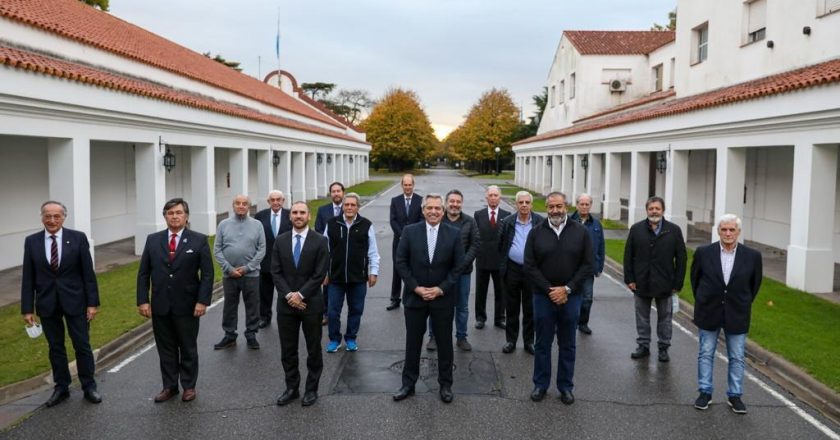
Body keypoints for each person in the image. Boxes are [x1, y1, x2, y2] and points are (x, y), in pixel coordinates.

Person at [21, 201, 101, 407]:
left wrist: (92, 303)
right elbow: (28, 277)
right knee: (55, 347)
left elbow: (88, 274)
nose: (52, 220)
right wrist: (27, 308)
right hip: (47, 303)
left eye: (57, 216)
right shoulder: (32, 242)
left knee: (82, 345)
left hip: (77, 302)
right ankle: (61, 387)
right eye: (48, 216)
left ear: (64, 217)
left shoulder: (78, 238)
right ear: (42, 217)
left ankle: (89, 386)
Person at [137, 198, 214, 403]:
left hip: (187, 305)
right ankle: (169, 386)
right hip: (160, 305)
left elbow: (207, 275)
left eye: (178, 212)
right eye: (170, 213)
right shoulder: (153, 240)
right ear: (165, 217)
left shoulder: (199, 240)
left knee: (187, 346)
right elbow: (143, 273)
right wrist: (143, 300)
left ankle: (188, 386)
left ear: (186, 216)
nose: (174, 216)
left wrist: (202, 301)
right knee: (166, 348)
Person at [393, 194, 464, 404]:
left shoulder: (454, 234)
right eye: (429, 208)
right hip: (415, 298)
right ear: (423, 210)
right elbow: (401, 261)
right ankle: (408, 384)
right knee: (413, 342)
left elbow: (458, 267)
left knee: (444, 343)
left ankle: (445, 384)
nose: (433, 212)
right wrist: (415, 288)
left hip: (442, 298)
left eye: (437, 208)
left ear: (443, 211)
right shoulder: (409, 231)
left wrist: (441, 289)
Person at [525, 192, 593, 404]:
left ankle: (565, 386)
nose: (555, 210)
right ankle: (540, 385)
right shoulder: (536, 232)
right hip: (543, 297)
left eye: (559, 206)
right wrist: (549, 290)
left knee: (567, 344)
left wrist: (567, 289)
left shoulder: (580, 232)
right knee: (543, 343)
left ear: (566, 206)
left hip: (571, 298)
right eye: (551, 207)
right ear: (546, 208)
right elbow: (530, 265)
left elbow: (587, 265)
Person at [691, 214, 762, 414]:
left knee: (737, 356)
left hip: (737, 312)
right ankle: (705, 392)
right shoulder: (704, 253)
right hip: (709, 311)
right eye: (724, 229)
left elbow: (754, 285)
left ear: (738, 232)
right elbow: (695, 280)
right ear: (718, 231)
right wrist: (705, 300)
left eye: (732, 230)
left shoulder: (752, 256)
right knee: (705, 353)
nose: (728, 233)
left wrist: (742, 301)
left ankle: (735, 395)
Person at [272, 201, 330, 407]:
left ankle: (311, 389)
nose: (298, 216)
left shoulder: (320, 241)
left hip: (311, 304)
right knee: (288, 350)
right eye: (295, 212)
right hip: (286, 305)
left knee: (313, 348)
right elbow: (276, 272)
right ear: (290, 216)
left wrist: (301, 295)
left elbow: (319, 273)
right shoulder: (280, 240)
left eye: (302, 212)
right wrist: (289, 295)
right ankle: (292, 388)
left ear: (309, 216)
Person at [624, 196, 687, 362]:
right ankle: (643, 345)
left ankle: (663, 347)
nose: (654, 211)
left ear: (663, 210)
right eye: (651, 208)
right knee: (642, 317)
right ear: (647, 210)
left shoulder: (673, 230)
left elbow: (681, 258)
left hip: (665, 283)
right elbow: (628, 255)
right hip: (641, 282)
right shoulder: (636, 229)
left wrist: (678, 283)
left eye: (657, 208)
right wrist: (629, 278)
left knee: (665, 318)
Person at [323, 192, 380, 353]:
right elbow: (324, 251)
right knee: (333, 312)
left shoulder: (366, 225)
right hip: (336, 278)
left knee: (356, 310)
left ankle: (351, 338)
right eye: (346, 205)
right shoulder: (332, 223)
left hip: (358, 278)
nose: (349, 207)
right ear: (342, 206)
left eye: (352, 205)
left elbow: (373, 252)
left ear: (358, 207)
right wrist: (324, 272)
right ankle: (334, 339)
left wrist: (373, 272)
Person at [427, 189, 481, 352]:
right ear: (446, 203)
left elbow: (475, 244)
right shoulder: (438, 220)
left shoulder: (470, 222)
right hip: (440, 273)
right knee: (436, 305)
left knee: (462, 306)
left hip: (463, 273)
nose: (455, 204)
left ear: (461, 204)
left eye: (458, 202)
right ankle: (433, 337)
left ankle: (461, 337)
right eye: (452, 201)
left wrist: (461, 264)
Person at [213, 195, 265, 350]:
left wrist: (247, 268)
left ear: (249, 206)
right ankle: (229, 335)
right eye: (238, 203)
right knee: (229, 306)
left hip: (251, 274)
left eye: (244, 204)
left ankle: (251, 333)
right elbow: (217, 250)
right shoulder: (223, 224)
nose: (241, 206)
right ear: (233, 205)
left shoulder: (257, 225)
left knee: (252, 305)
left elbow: (262, 249)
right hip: (230, 275)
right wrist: (229, 269)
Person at [498, 191, 543, 355]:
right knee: (512, 308)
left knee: (530, 308)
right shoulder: (508, 222)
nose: (524, 205)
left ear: (531, 204)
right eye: (521, 202)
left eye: (527, 202)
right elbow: (501, 245)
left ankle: (529, 342)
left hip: (532, 271)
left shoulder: (540, 222)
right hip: (512, 269)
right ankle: (510, 341)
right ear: (516, 204)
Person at [473, 185, 510, 330]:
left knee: (501, 291)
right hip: (482, 258)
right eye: (491, 195)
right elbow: (475, 236)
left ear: (500, 198)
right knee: (480, 291)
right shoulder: (478, 214)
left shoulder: (507, 215)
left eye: (496, 195)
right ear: (486, 197)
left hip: (500, 260)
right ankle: (480, 318)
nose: (493, 198)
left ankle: (500, 318)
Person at [568, 193, 605, 335]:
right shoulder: (569, 221)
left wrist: (600, 266)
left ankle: (583, 323)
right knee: (569, 296)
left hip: (588, 268)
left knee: (587, 299)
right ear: (577, 205)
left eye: (587, 204)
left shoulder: (596, 224)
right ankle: (569, 322)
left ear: (590, 206)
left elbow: (601, 246)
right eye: (581, 204)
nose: (584, 207)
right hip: (570, 268)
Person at [254, 190, 291, 329]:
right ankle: (264, 317)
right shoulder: (260, 216)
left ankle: (288, 316)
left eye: (278, 199)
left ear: (283, 201)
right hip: (265, 261)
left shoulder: (291, 215)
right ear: (268, 202)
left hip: (286, 262)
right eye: (272, 200)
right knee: (264, 293)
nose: (276, 202)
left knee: (286, 291)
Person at [387, 173, 423, 311]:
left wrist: (411, 236)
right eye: (405, 185)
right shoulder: (395, 200)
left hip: (415, 242)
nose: (407, 187)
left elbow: (421, 219)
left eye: (410, 185)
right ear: (401, 185)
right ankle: (394, 299)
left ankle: (412, 296)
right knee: (397, 269)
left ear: (413, 185)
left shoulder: (420, 200)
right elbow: (393, 220)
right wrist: (403, 235)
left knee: (413, 269)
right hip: (399, 241)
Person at [315, 182, 345, 326]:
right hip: (327, 253)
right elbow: (318, 229)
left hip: (345, 253)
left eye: (338, 191)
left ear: (343, 193)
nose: (336, 194)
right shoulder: (323, 210)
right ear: (330, 194)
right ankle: (326, 313)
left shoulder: (349, 208)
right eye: (333, 191)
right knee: (326, 285)